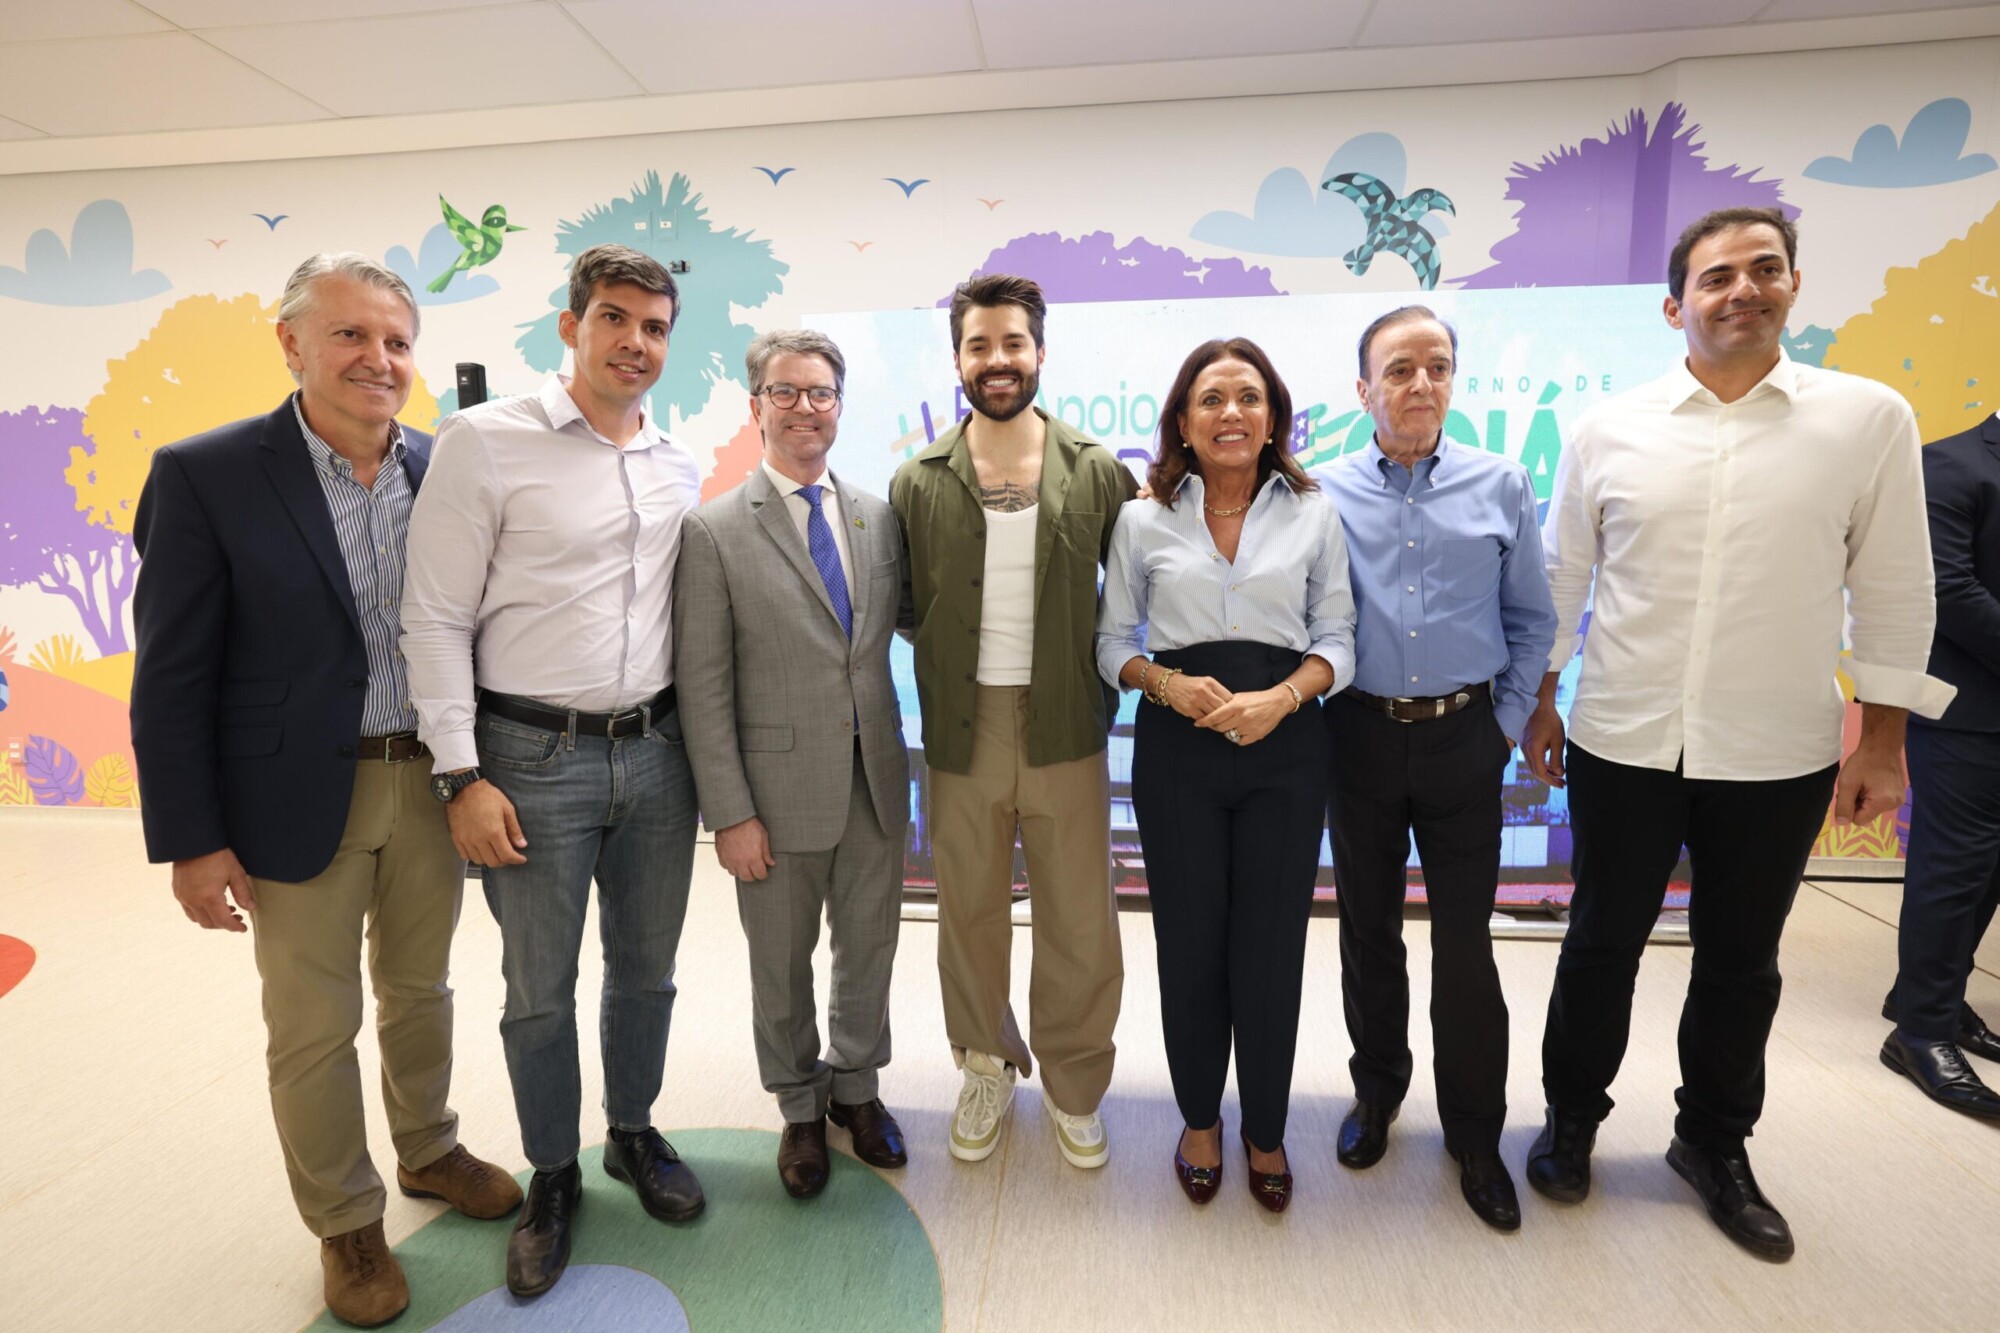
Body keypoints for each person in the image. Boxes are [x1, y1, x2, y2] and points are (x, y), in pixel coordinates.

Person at [1522, 207, 1954, 1260]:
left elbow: (1895, 587)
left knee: (1740, 960)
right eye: (1716, 277)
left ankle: (1712, 1142)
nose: (1742, 290)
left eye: (1764, 269)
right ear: (1674, 305)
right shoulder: (1609, 428)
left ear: (1793, 286)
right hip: (1624, 737)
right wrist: (1538, 698)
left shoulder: (1867, 420)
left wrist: (1882, 741)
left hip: (1777, 749)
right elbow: (1562, 576)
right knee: (1599, 941)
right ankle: (1570, 1119)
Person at [130, 253, 519, 1329]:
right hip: (291, 794)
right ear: (291, 343)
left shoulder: (443, 467)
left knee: (422, 988)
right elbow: (170, 675)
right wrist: (192, 838)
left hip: (429, 781)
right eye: (350, 334)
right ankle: (346, 1220)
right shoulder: (205, 474)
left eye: (396, 341)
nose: (376, 359)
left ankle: (429, 1147)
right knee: (313, 1022)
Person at [401, 244, 703, 1298]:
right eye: (614, 317)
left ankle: (632, 1131)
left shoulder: (676, 461)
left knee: (648, 968)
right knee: (539, 987)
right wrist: (459, 776)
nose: (635, 342)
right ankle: (554, 1172)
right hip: (530, 760)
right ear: (572, 324)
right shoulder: (485, 442)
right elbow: (433, 618)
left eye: (654, 327)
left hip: (657, 754)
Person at [1097, 336, 1355, 1212]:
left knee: (1271, 947)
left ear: (1273, 416)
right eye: (1211, 399)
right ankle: (1201, 1119)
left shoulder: (1314, 512)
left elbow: (1338, 637)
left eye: (1249, 396)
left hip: (1288, 745)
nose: (1231, 412)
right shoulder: (1141, 520)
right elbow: (1111, 642)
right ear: (1182, 421)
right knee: (1190, 940)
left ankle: (1267, 1128)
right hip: (1179, 750)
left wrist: (1283, 696)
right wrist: (1165, 683)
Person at [891, 274, 1137, 1170]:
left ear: (1039, 351)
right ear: (958, 359)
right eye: (979, 345)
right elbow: (907, 604)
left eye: (1012, 343)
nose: (996, 360)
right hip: (964, 727)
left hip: (1066, 720)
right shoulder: (918, 480)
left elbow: (1134, 592)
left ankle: (1074, 1080)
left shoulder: (1097, 470)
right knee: (969, 909)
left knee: (1079, 913)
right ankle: (986, 1065)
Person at [1320, 306, 1557, 1231]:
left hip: (1466, 738)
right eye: (1400, 369)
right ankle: (1377, 1092)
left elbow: (1532, 619)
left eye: (1439, 366)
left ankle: (1474, 1131)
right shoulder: (1322, 492)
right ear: (1364, 389)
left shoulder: (1502, 483)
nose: (1422, 383)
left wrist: (1502, 726)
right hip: (1360, 735)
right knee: (1368, 931)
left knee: (1465, 943)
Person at [674, 329, 913, 1196]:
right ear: (757, 406)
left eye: (820, 392)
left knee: (869, 948)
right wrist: (730, 813)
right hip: (771, 799)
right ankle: (800, 1107)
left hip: (874, 779)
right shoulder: (713, 530)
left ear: (840, 406)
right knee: (780, 963)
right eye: (786, 391)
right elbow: (702, 686)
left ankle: (857, 1088)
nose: (804, 407)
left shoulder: (877, 516)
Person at [1880, 406, 2000, 1120]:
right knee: (1952, 871)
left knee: (1989, 870)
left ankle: (1933, 999)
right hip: (1965, 713)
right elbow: (1949, 591)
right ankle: (1920, 1034)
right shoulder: (1951, 463)